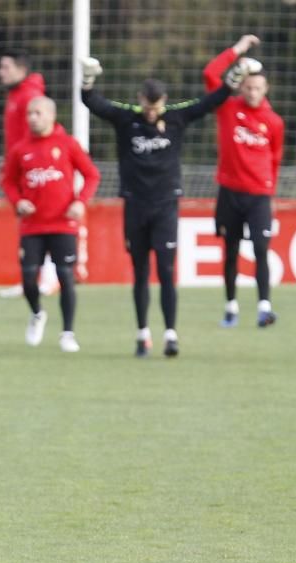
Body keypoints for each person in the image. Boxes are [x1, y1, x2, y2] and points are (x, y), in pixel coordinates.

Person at [80, 57, 233, 357]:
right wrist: (87, 80)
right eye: (148, 107)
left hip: (165, 205)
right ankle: (142, 334)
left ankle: (171, 335)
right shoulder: (127, 118)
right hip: (135, 205)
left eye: (156, 106)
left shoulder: (176, 117)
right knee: (139, 272)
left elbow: (210, 101)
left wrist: (233, 79)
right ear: (140, 100)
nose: (152, 113)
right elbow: (92, 101)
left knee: (165, 270)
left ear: (163, 101)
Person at [1, 96, 100, 352]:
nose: (33, 117)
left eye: (38, 113)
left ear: (51, 115)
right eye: (30, 113)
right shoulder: (20, 149)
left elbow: (91, 174)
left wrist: (80, 202)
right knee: (28, 278)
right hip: (32, 226)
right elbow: (8, 181)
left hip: (63, 224)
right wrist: (18, 201)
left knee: (66, 276)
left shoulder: (67, 144)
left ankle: (67, 333)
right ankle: (37, 314)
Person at [203, 34, 284, 328]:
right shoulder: (228, 108)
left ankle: (264, 306)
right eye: (248, 87)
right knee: (231, 250)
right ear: (241, 86)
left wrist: (268, 187)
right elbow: (209, 74)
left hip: (259, 196)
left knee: (262, 248)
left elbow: (275, 157)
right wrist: (237, 50)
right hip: (230, 193)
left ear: (266, 89)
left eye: (258, 88)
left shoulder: (274, 121)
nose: (253, 93)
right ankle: (231, 306)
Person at [0, 48, 59, 298]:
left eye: (6, 67)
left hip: (33, 167)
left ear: (21, 70)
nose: (1, 73)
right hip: (21, 164)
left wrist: (27, 164)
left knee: (43, 220)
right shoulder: (15, 95)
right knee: (29, 220)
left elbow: (37, 132)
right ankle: (32, 277)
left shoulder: (29, 95)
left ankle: (50, 277)